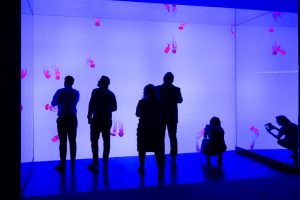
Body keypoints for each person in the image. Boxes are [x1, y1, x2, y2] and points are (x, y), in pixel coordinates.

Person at [87, 75, 117, 171]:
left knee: (94, 141)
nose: (98, 81)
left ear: (102, 82)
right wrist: (107, 109)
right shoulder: (111, 94)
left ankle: (95, 162)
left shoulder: (95, 91)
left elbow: (91, 104)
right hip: (107, 119)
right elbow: (115, 108)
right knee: (106, 141)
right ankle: (105, 162)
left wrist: (89, 116)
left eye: (99, 80)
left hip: (96, 119)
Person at [51, 75, 80, 172]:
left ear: (65, 81)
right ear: (72, 82)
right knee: (73, 141)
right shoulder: (76, 93)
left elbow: (53, 103)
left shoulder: (60, 91)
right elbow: (74, 103)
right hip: (72, 117)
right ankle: (73, 163)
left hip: (63, 118)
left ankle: (63, 164)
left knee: (62, 142)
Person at [136, 84, 165, 178]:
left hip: (143, 128)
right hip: (156, 128)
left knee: (142, 149)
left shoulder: (141, 102)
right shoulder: (159, 103)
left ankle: (142, 167)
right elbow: (162, 115)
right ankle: (160, 170)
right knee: (158, 150)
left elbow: (137, 114)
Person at [156, 72, 183, 162]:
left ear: (164, 78)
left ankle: (161, 154)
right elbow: (180, 100)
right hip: (172, 116)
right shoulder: (176, 89)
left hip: (161, 116)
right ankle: (173, 154)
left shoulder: (158, 89)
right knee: (173, 136)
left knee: (160, 136)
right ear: (172, 80)